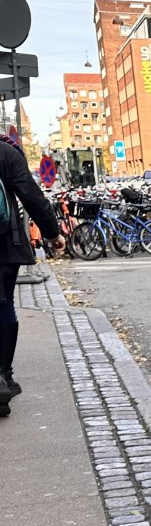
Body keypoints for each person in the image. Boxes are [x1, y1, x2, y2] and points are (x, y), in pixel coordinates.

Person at [1, 133, 62, 417]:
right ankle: (3, 375)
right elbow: (32, 197)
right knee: (3, 305)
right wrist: (52, 233)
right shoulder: (7, 152)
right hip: (4, 246)